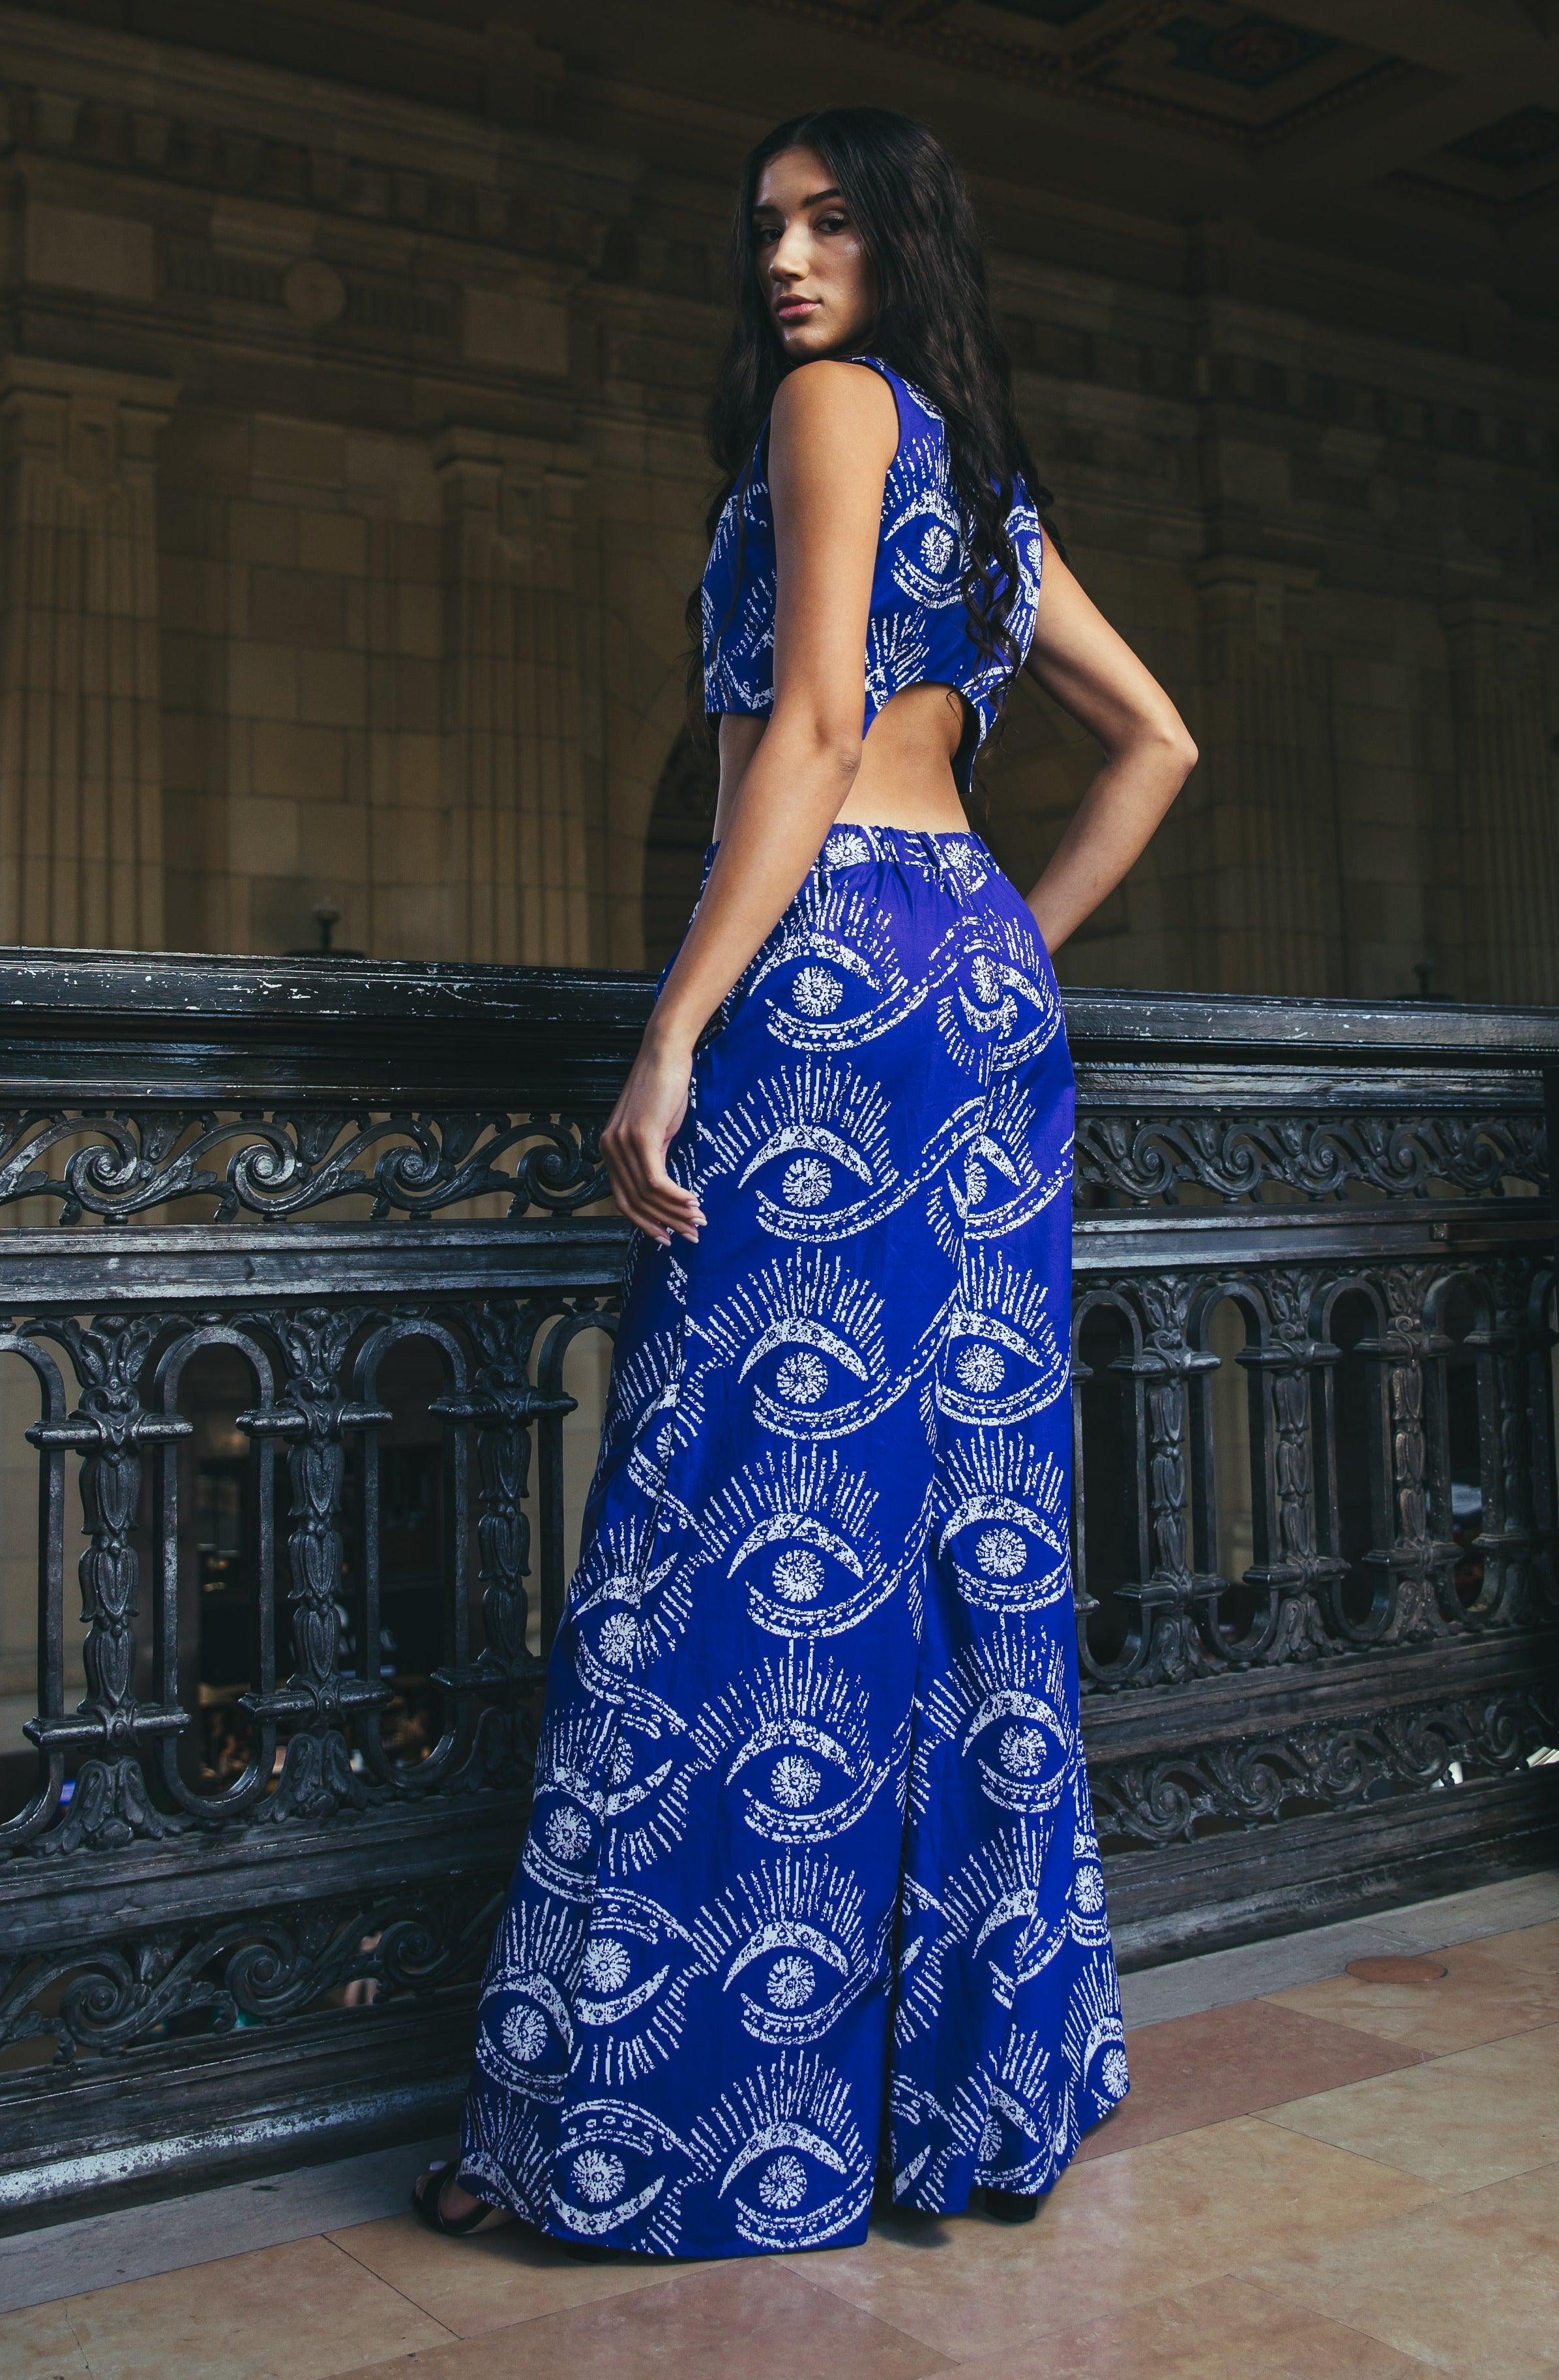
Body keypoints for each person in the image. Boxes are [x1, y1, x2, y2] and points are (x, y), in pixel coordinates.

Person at [413, 103, 1196, 2258]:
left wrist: (675, 1021)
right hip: (969, 1001)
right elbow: (1159, 745)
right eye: (767, 229)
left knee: (743, 1515)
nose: (787, 261)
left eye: (831, 222)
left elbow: (821, 720)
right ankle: (960, 2093)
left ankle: (688, 2125)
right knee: (959, 1520)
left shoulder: (837, 409)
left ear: (899, 239)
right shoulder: (987, 480)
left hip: (838, 983)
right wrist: (1002, 946)